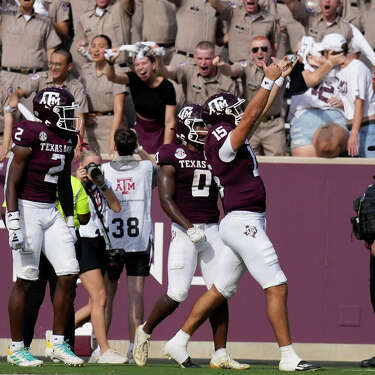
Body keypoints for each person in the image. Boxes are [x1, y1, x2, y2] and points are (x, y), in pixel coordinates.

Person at [161, 65, 320, 371]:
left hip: (243, 221)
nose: (240, 112)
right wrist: (266, 80)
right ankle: (288, 356)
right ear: (221, 119)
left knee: (221, 289)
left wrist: (279, 79)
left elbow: (254, 115)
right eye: (233, 110)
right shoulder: (221, 138)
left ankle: (179, 339)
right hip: (243, 221)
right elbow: (248, 118)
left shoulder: (228, 133)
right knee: (277, 285)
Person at [132, 104, 250, 370]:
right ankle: (145, 332)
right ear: (184, 128)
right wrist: (189, 227)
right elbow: (165, 199)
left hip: (212, 229)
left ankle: (220, 353)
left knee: (219, 291)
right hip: (185, 230)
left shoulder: (213, 153)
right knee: (177, 292)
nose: (203, 130)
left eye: (204, 125)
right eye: (198, 125)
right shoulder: (171, 153)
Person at [5, 87, 84, 366]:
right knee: (26, 278)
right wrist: (12, 217)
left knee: (69, 273)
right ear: (49, 112)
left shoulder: (67, 137)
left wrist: (71, 219)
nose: (70, 117)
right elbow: (11, 180)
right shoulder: (30, 133)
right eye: (65, 111)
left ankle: (58, 344)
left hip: (51, 211)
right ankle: (16, 348)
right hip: (26, 209)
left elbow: (63, 182)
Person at [100, 128, 157, 363]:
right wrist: (141, 149)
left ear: (114, 145)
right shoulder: (145, 169)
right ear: (133, 146)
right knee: (136, 294)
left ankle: (99, 346)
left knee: (106, 296)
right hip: (139, 240)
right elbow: (155, 163)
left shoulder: (103, 170)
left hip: (112, 240)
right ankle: (135, 347)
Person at [73, 150, 128, 364]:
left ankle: (60, 333)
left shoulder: (102, 184)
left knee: (99, 301)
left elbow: (116, 206)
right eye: (91, 166)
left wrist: (102, 183)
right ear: (81, 166)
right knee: (100, 298)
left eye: (98, 165)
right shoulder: (73, 184)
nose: (95, 169)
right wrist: (79, 182)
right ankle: (104, 351)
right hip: (84, 241)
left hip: (102, 244)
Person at [9, 47, 88, 158]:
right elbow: (18, 92)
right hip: (40, 132)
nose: (53, 68)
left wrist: (78, 145)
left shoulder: (76, 87)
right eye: (51, 64)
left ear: (69, 66)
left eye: (58, 64)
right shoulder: (40, 77)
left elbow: (80, 116)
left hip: (63, 135)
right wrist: (15, 97)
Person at [214, 36, 287, 156]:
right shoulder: (245, 66)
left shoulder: (280, 66)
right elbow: (231, 70)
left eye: (264, 49)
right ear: (250, 53)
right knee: (247, 164)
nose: (260, 52)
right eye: (255, 50)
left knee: (278, 166)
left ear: (271, 50)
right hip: (250, 124)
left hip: (273, 125)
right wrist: (222, 65)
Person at [106, 47, 176, 154]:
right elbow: (112, 77)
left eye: (143, 63)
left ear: (153, 65)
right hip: (141, 130)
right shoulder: (134, 79)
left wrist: (165, 149)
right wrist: (110, 63)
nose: (140, 67)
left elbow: (170, 121)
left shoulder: (167, 86)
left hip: (161, 131)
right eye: (137, 65)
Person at [287, 36, 348, 157]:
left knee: (337, 169)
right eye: (321, 53)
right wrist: (330, 62)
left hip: (333, 118)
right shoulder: (300, 67)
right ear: (309, 56)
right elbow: (312, 79)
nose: (326, 55)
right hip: (304, 117)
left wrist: (343, 103)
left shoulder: (339, 69)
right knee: (305, 171)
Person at [0, 0, 61, 111]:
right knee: (6, 124)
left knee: (32, 124)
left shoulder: (45, 22)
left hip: (34, 81)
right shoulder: (4, 18)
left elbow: (51, 53)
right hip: (7, 79)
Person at [329, 33, 375, 157]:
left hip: (367, 128)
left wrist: (354, 134)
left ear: (332, 52)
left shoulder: (356, 69)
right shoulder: (340, 70)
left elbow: (359, 103)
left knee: (369, 172)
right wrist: (343, 104)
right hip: (353, 127)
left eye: (325, 53)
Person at [81, 34, 127, 156]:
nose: (96, 50)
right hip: (89, 128)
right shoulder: (84, 71)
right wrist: (83, 117)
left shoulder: (116, 72)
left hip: (110, 126)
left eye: (101, 47)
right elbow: (78, 100)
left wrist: (113, 136)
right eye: (93, 46)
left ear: (109, 50)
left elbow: (119, 108)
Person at [155, 41, 236, 109]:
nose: (203, 63)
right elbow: (163, 72)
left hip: (216, 123)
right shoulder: (188, 69)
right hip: (192, 120)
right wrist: (158, 58)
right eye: (200, 58)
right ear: (195, 58)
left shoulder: (227, 79)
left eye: (207, 59)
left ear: (215, 58)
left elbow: (233, 109)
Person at [209, 0, 280, 63]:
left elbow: (274, 43)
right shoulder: (233, 13)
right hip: (235, 69)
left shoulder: (269, 19)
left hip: (258, 70)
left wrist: (270, 63)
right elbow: (214, 4)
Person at [75, 0, 134, 68]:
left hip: (120, 69)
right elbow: (81, 45)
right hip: (96, 70)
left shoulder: (120, 8)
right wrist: (83, 48)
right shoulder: (84, 18)